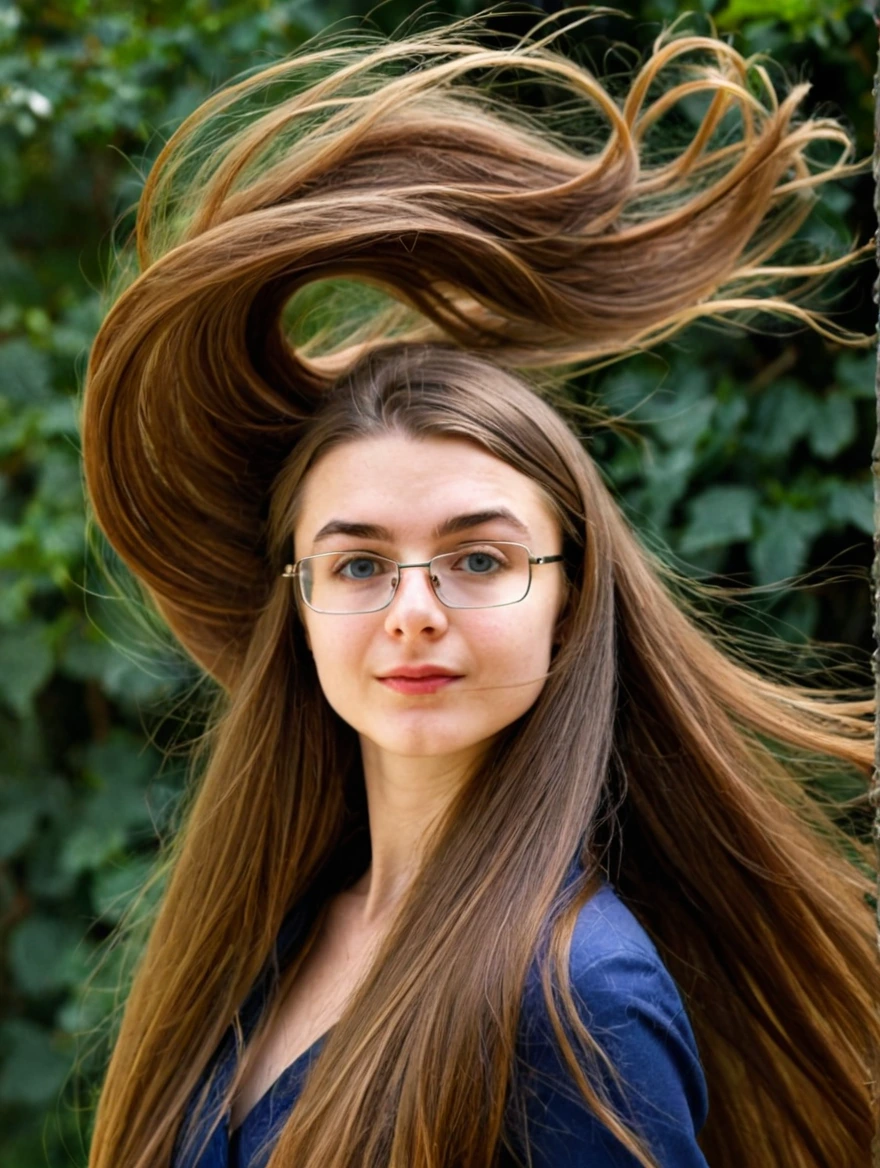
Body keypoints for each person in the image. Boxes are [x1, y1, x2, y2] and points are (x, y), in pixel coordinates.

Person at [78, 15, 878, 1168]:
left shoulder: (576, 1001)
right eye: (357, 563)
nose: (413, 607)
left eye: (478, 558)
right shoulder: (266, 931)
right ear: (296, 606)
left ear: (568, 593)